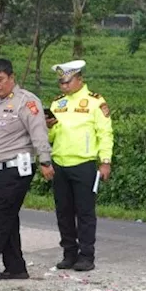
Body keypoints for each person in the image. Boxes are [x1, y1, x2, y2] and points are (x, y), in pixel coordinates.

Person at [0, 59, 54, 284]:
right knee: (6, 219)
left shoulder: (26, 102)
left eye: (0, 79)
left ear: (11, 78)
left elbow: (38, 132)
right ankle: (16, 267)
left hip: (16, 169)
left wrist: (45, 160)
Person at [46, 60, 113, 272]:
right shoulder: (58, 104)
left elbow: (105, 134)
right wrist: (48, 128)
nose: (64, 86)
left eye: (67, 81)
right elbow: (50, 136)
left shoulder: (95, 102)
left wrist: (105, 161)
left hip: (84, 164)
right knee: (63, 212)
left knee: (85, 212)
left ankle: (86, 255)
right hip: (60, 163)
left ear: (79, 79)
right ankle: (69, 253)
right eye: (61, 83)